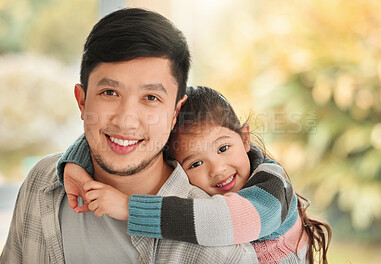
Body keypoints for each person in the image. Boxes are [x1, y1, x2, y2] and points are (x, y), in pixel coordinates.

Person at [0, 8, 259, 264]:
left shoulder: (223, 250)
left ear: (174, 113)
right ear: (82, 101)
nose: (126, 120)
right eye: (110, 92)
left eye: (151, 98)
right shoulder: (42, 184)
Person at [58, 86, 331, 263]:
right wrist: (75, 163)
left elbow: (225, 221)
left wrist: (128, 207)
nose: (218, 169)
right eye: (195, 164)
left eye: (223, 148)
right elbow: (124, 140)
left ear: (245, 138)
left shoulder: (273, 185)